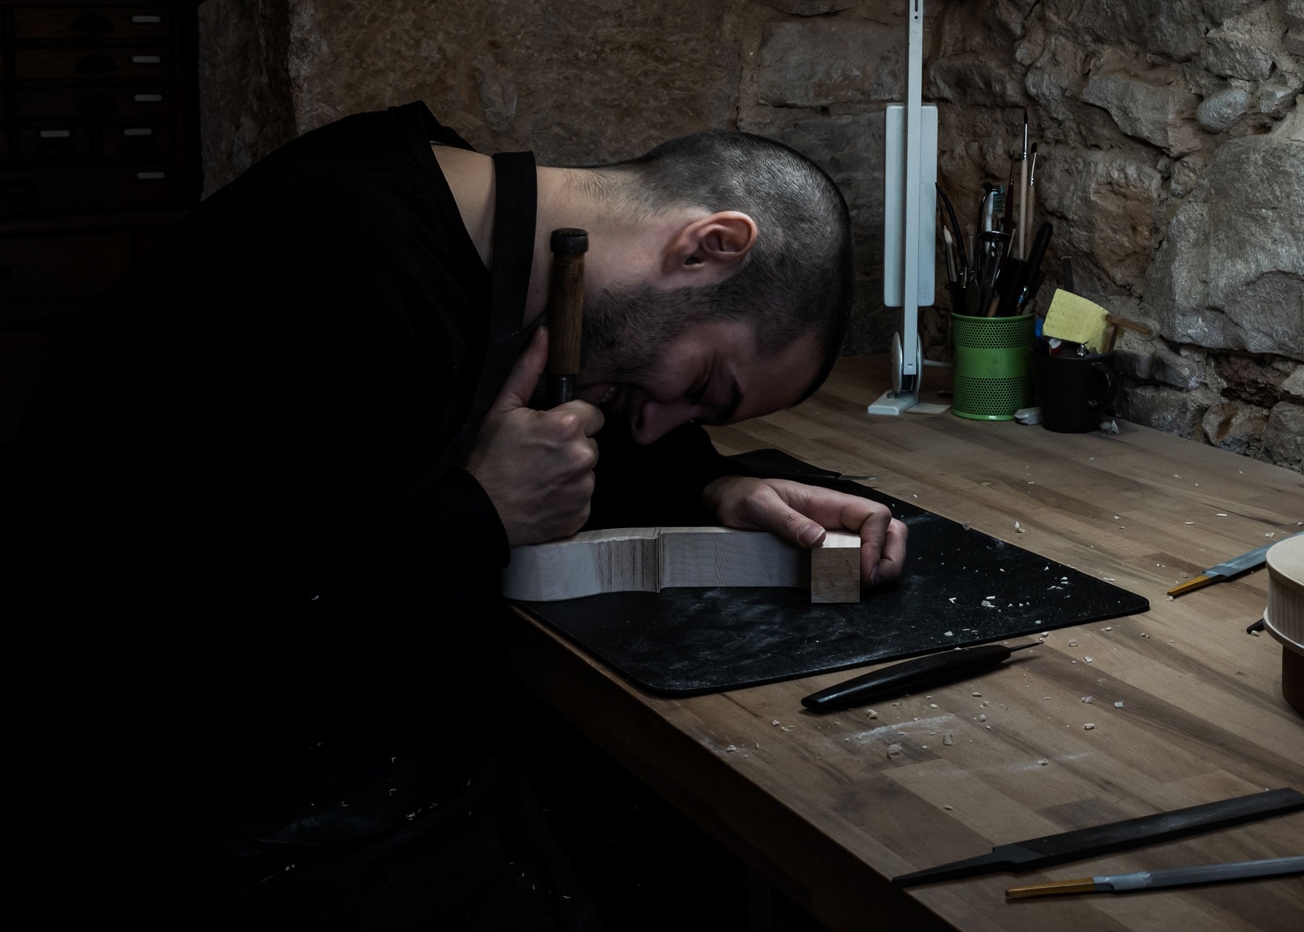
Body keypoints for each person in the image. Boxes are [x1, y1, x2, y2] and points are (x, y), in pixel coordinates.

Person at [18, 101, 904, 928]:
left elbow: (595, 402)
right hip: (172, 784)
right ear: (707, 245)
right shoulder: (338, 267)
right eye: (703, 387)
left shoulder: (497, 234)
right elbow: (201, 637)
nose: (656, 421)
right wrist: (479, 509)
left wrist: (712, 489)